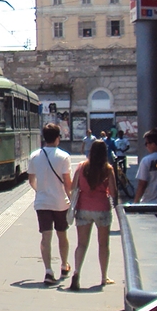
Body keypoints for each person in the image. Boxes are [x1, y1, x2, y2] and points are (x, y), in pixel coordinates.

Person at [28, 122, 73, 286]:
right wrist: (71, 198)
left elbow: (31, 180)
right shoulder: (64, 157)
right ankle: (64, 265)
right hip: (60, 202)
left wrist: (39, 191)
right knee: (62, 235)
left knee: (45, 237)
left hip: (42, 202)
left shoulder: (34, 156)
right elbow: (68, 183)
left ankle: (48, 270)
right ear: (58, 138)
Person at [69, 140, 116, 291]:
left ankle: (76, 272)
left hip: (83, 209)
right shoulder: (108, 169)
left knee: (81, 244)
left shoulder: (82, 167)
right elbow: (114, 192)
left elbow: (73, 187)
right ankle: (103, 277)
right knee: (103, 244)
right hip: (102, 209)